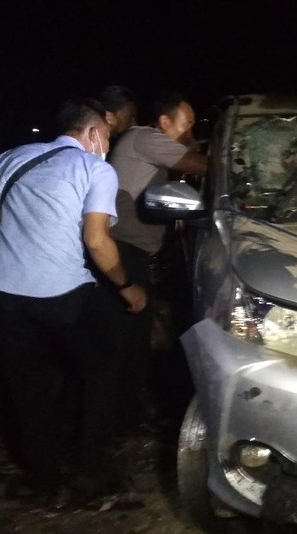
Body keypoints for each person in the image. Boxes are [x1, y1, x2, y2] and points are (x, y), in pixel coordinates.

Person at [0, 98, 147, 502]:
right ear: (91, 133)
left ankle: (43, 478)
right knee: (102, 367)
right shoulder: (94, 167)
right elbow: (97, 240)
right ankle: (90, 470)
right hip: (60, 291)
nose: (107, 143)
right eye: (106, 135)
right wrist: (127, 286)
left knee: (26, 384)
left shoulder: (10, 157)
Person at [105, 91, 207, 432]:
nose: (190, 130)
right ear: (164, 122)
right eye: (187, 123)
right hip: (124, 249)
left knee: (139, 333)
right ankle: (125, 420)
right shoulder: (146, 137)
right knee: (132, 339)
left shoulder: (145, 144)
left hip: (131, 248)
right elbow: (200, 165)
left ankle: (127, 413)